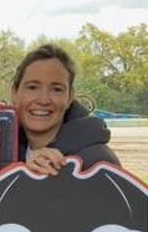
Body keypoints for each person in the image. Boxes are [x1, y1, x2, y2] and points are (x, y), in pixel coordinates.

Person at [11, 43, 120, 175]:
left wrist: (61, 176)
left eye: (56, 89)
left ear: (69, 98)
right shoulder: (9, 159)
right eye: (32, 87)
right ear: (14, 93)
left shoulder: (96, 162)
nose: (43, 100)